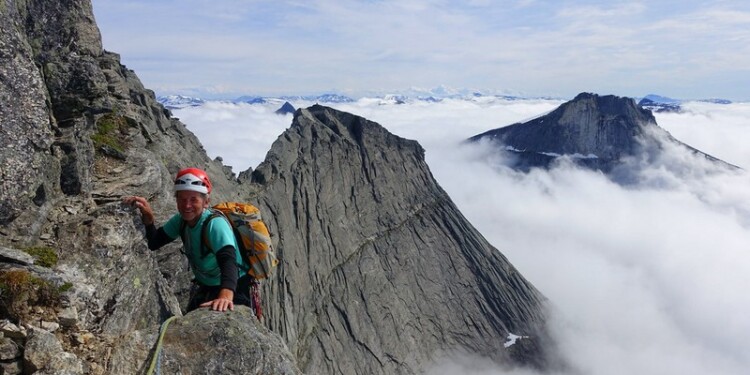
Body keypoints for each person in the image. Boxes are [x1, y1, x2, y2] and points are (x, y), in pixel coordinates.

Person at [123, 167, 251, 312]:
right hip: (206, 284)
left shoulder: (214, 224)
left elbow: (228, 259)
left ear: (206, 202)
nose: (187, 205)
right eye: (182, 199)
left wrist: (226, 296)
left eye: (193, 199)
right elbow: (154, 242)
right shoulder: (181, 221)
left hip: (235, 286)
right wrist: (149, 218)